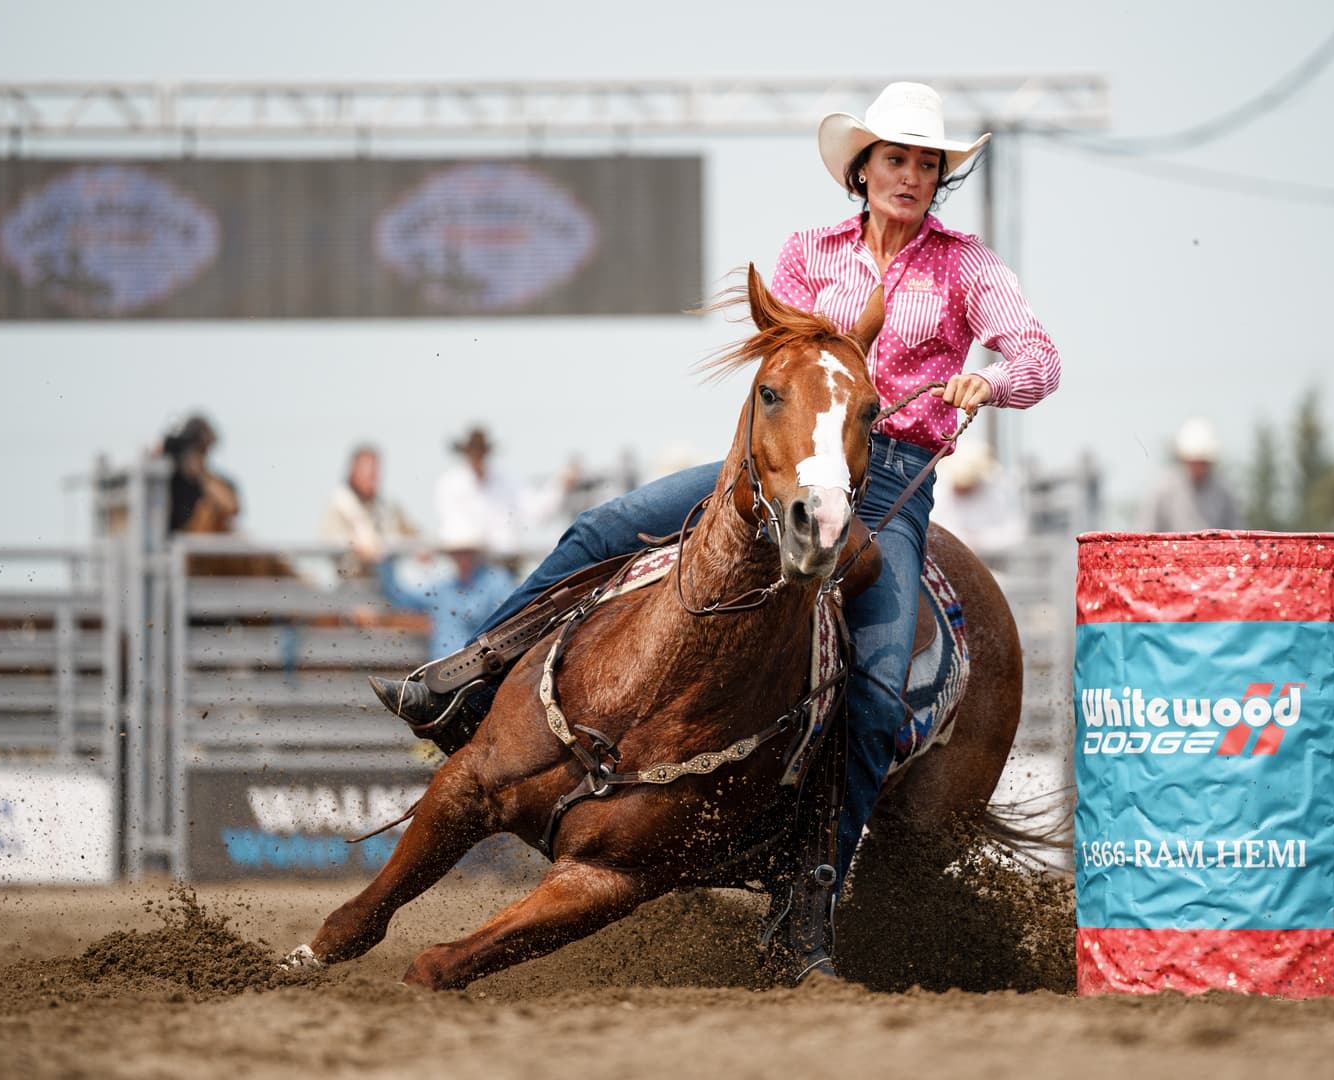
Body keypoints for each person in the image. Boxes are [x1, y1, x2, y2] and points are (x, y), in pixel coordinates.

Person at [370, 81, 1062, 975]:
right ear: (863, 169)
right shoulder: (808, 253)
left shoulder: (967, 266)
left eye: (927, 163)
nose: (911, 175)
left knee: (880, 685)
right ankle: (468, 673)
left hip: (888, 477)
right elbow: (781, 359)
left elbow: (1038, 357)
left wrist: (989, 382)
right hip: (782, 461)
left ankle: (810, 907)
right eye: (895, 158)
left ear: (939, 180)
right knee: (606, 525)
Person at [433, 426, 570, 572]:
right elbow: (454, 526)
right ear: (466, 454)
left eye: (480, 452)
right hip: (467, 563)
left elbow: (536, 511)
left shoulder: (507, 480)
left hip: (505, 563)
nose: (477, 457)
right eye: (474, 452)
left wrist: (561, 485)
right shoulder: (449, 483)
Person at [376, 522, 516, 659]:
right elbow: (403, 598)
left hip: (480, 668)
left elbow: (505, 623)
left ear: (476, 554)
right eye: (457, 553)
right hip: (443, 670)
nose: (461, 558)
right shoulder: (444, 588)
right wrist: (386, 560)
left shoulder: (496, 582)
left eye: (466, 552)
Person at [321, 443, 418, 578]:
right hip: (351, 583)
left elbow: (413, 533)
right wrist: (354, 544)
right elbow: (329, 543)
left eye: (374, 472)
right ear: (353, 472)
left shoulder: (387, 506)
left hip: (384, 583)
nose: (371, 477)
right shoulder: (341, 504)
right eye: (366, 471)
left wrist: (419, 548)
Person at [931, 438, 1026, 567]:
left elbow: (1015, 533)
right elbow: (931, 529)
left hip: (990, 565)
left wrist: (979, 542)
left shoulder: (997, 494)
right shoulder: (939, 492)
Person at [1138, 416, 1244, 531]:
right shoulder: (1163, 491)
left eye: (1202, 462)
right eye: (1194, 461)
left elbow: (1237, 534)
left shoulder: (1223, 492)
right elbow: (1146, 533)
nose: (1198, 467)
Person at [161, 414, 240, 535]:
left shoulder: (212, 482)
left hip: (201, 546)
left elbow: (231, 508)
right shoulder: (169, 480)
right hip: (175, 541)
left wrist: (201, 475)